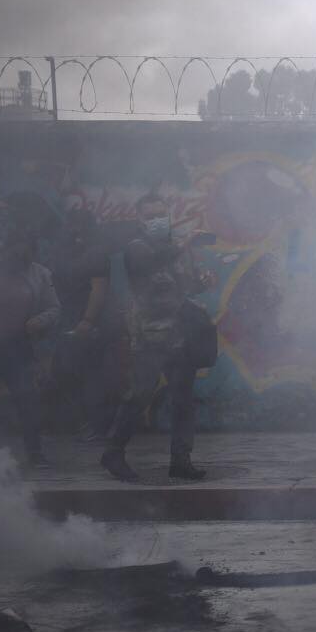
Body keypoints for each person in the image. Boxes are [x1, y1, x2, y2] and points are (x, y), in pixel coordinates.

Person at [101, 193, 216, 483]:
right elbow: (152, 264)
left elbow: (185, 286)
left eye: (161, 214)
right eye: (150, 216)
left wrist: (203, 283)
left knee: (183, 400)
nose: (157, 220)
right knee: (139, 396)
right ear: (140, 220)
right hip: (151, 335)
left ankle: (181, 460)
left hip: (182, 334)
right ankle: (113, 453)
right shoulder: (137, 249)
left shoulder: (179, 249)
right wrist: (186, 243)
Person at [0, 228, 60, 465]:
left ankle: (35, 453)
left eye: (25, 248)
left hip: (20, 346)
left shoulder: (41, 275)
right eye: (14, 248)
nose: (19, 254)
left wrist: (38, 321)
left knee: (27, 399)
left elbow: (55, 308)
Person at [49, 208, 116, 442]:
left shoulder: (96, 254)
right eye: (71, 224)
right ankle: (89, 423)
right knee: (65, 370)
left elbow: (99, 290)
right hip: (69, 321)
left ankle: (98, 426)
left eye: (77, 225)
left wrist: (87, 321)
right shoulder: (66, 253)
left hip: (91, 323)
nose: (73, 230)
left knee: (92, 374)